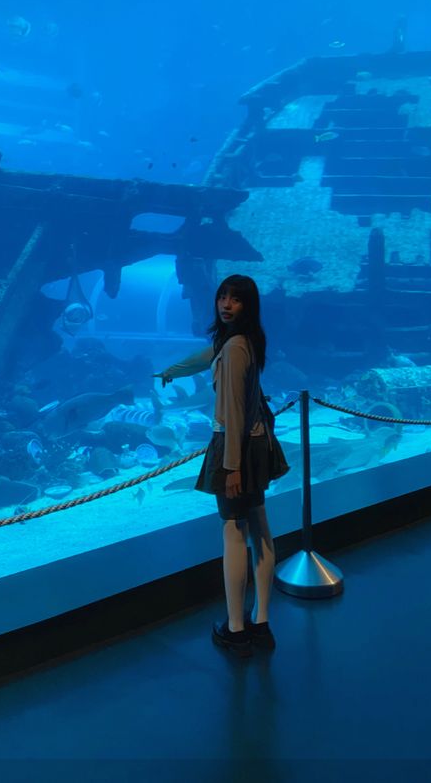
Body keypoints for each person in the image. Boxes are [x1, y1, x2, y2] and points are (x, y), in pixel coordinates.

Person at [154, 275, 289, 657]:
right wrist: (173, 370)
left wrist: (231, 468)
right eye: (222, 297)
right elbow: (206, 355)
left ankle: (234, 628)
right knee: (261, 530)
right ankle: (261, 622)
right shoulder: (244, 341)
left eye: (235, 300)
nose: (226, 304)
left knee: (234, 533)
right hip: (259, 444)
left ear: (248, 305)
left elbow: (230, 411)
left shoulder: (232, 351)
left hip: (235, 448)